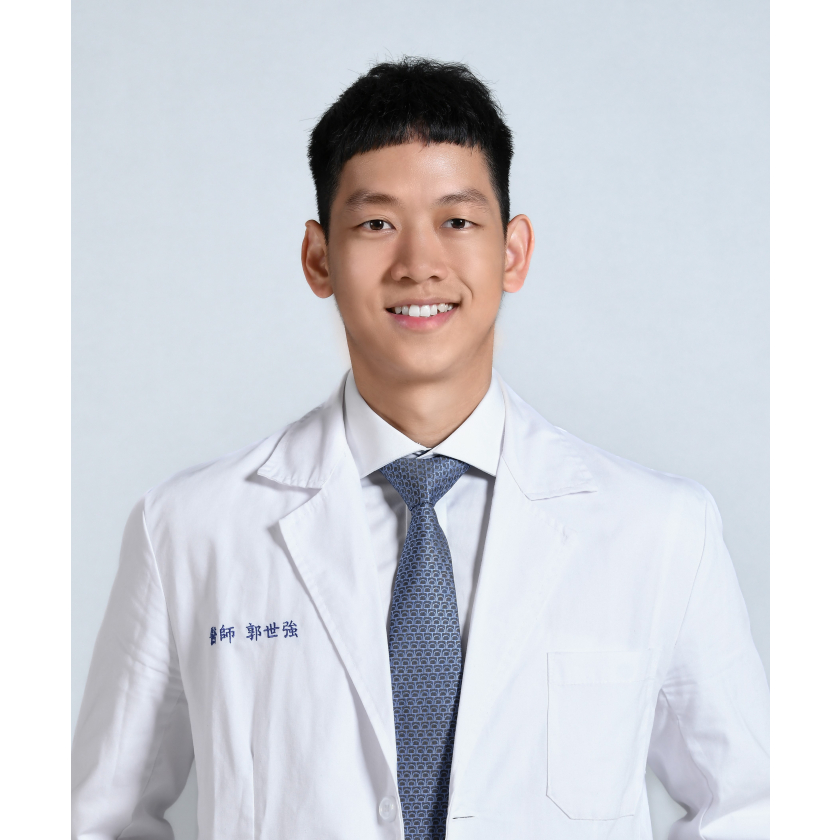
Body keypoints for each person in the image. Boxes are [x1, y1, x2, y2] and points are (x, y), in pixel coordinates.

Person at [72, 58, 770, 840]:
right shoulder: (189, 530)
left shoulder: (660, 531)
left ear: (513, 252)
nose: (418, 264)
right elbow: (101, 819)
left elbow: (753, 806)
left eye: (457, 222)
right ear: (318, 258)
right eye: (376, 224)